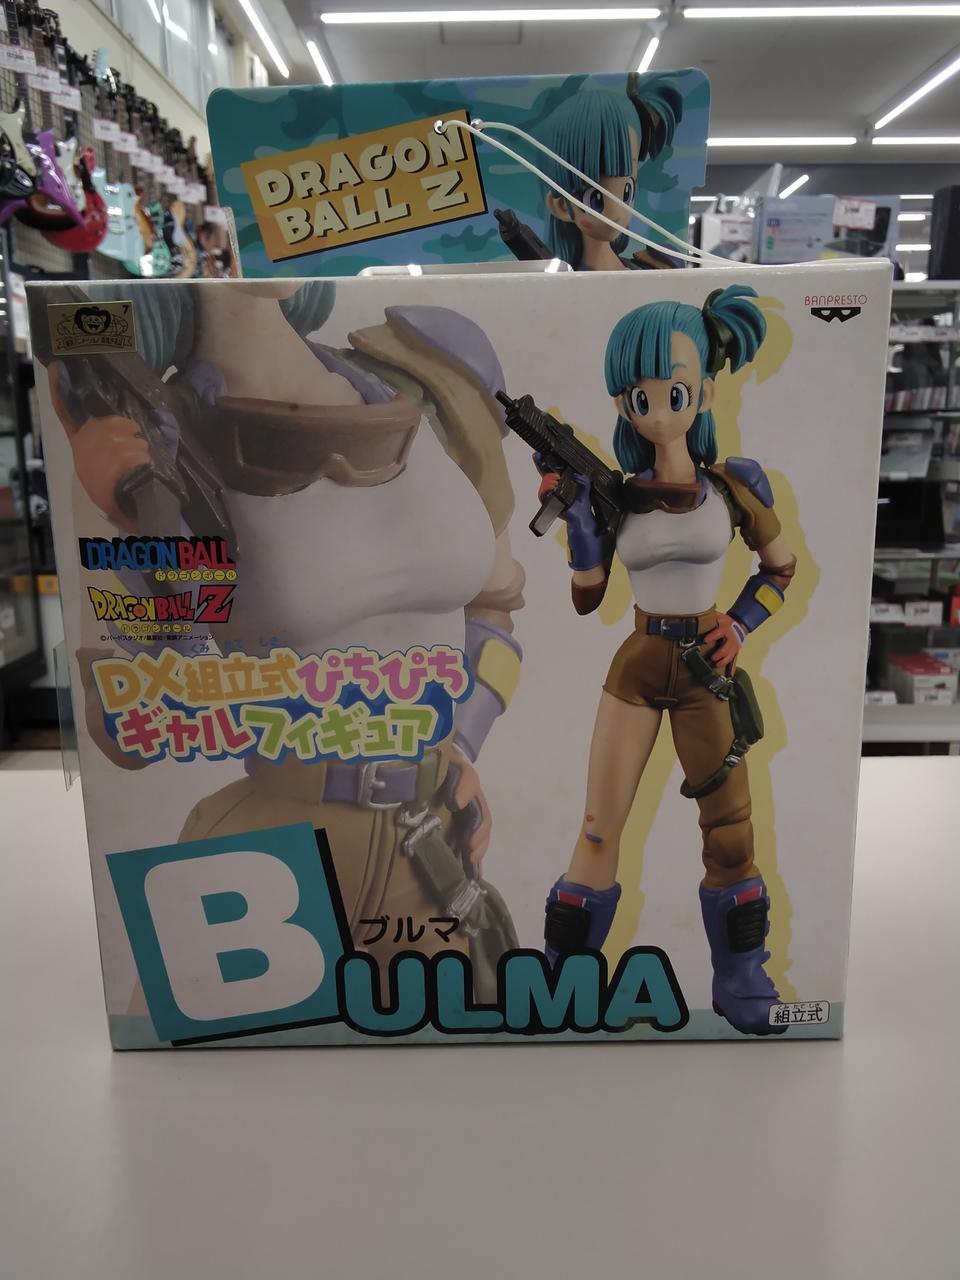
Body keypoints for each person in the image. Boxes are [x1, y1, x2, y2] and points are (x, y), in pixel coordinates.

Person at [44, 280, 525, 1000]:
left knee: (465, 1047)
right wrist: (134, 525)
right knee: (220, 1065)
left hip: (427, 837)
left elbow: (493, 604)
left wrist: (456, 745)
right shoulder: (147, 447)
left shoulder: (431, 373)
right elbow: (128, 725)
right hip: (270, 858)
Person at [539, 284, 798, 1035]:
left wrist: (740, 625)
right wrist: (580, 525)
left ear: (704, 393)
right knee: (598, 828)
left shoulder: (734, 485)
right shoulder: (616, 496)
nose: (656, 411)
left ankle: (742, 977)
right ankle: (562, 975)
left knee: (730, 832)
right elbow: (588, 597)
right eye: (639, 398)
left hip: (707, 668)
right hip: (638, 664)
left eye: (673, 393)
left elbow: (779, 569)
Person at [538, 77, 683, 272]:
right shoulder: (566, 285)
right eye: (595, 199)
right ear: (562, 206)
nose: (616, 211)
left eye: (627, 191)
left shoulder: (657, 264)